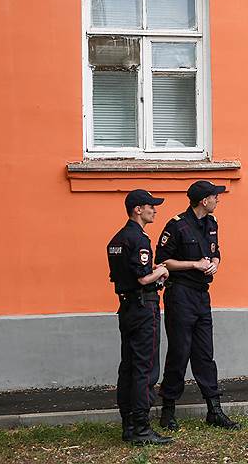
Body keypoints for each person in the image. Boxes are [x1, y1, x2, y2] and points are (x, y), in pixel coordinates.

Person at [156, 180, 241, 431]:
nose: (219, 200)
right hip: (180, 294)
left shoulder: (211, 224)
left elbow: (216, 251)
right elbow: (163, 262)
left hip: (202, 295)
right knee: (180, 351)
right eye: (216, 196)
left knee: (205, 353)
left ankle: (214, 410)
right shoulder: (177, 225)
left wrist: (215, 262)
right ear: (204, 200)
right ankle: (168, 410)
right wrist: (193, 264)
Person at [107, 189, 173, 445]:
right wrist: (162, 270)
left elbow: (127, 273)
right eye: (150, 206)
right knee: (146, 368)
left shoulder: (117, 239)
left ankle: (128, 425)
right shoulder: (139, 239)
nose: (154, 210)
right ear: (138, 209)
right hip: (144, 307)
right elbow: (144, 278)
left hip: (126, 307)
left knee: (129, 367)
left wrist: (151, 271)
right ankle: (142, 429)